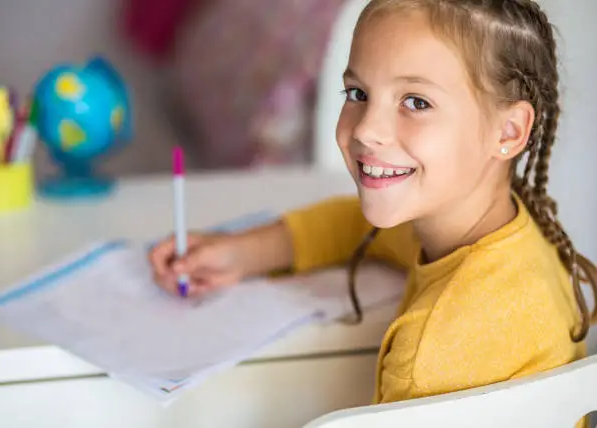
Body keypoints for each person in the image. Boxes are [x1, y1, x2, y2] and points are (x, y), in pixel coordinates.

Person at [149, 0, 597, 423]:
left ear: (509, 130)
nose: (367, 129)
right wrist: (247, 252)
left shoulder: (432, 353)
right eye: (358, 92)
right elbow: (359, 225)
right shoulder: (502, 227)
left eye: (416, 102)